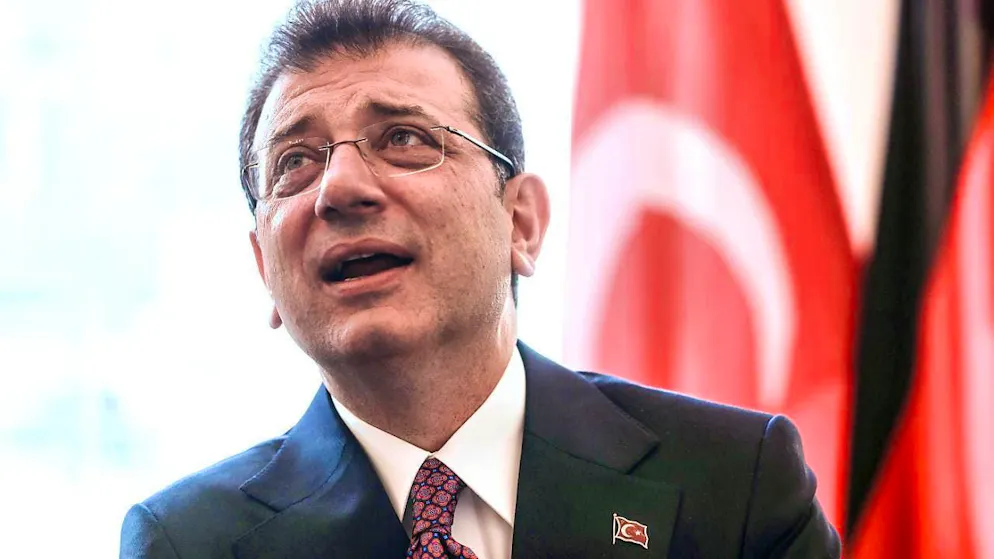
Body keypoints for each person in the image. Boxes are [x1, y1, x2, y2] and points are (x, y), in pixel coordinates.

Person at [119, 0, 841, 557]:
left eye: (403, 138)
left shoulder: (737, 482)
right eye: (294, 163)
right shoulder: (188, 542)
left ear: (521, 222)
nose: (337, 188)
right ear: (265, 272)